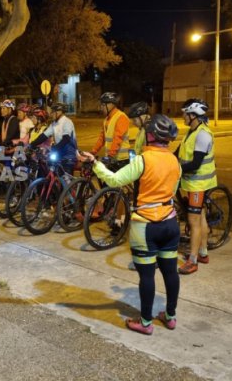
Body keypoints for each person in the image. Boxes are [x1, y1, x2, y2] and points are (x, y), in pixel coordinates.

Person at [78, 114, 181, 335]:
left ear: (151, 135)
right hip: (170, 223)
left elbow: (114, 180)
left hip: (145, 225)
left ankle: (145, 323)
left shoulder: (143, 160)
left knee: (147, 276)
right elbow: (172, 191)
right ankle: (170, 317)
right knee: (170, 272)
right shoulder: (174, 161)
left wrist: (94, 163)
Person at [177, 99, 217, 275]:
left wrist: (175, 168)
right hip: (193, 182)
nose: (183, 116)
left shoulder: (202, 135)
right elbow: (177, 153)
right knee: (200, 216)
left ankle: (192, 261)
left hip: (199, 183)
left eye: (185, 113)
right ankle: (203, 252)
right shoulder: (191, 132)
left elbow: (195, 164)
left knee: (193, 220)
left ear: (193, 115)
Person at [30, 103, 77, 174]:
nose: (51, 114)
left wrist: (54, 148)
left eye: (53, 112)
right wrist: (32, 144)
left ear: (59, 112)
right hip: (59, 154)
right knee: (53, 176)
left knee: (66, 181)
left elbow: (66, 139)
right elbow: (44, 136)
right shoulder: (54, 124)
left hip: (68, 156)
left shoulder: (67, 122)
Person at [91, 92, 131, 165]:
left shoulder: (121, 117)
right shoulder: (106, 119)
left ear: (111, 105)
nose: (101, 108)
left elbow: (117, 138)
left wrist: (110, 156)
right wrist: (93, 152)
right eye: (101, 105)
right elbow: (102, 138)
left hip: (121, 160)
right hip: (111, 159)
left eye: (103, 105)